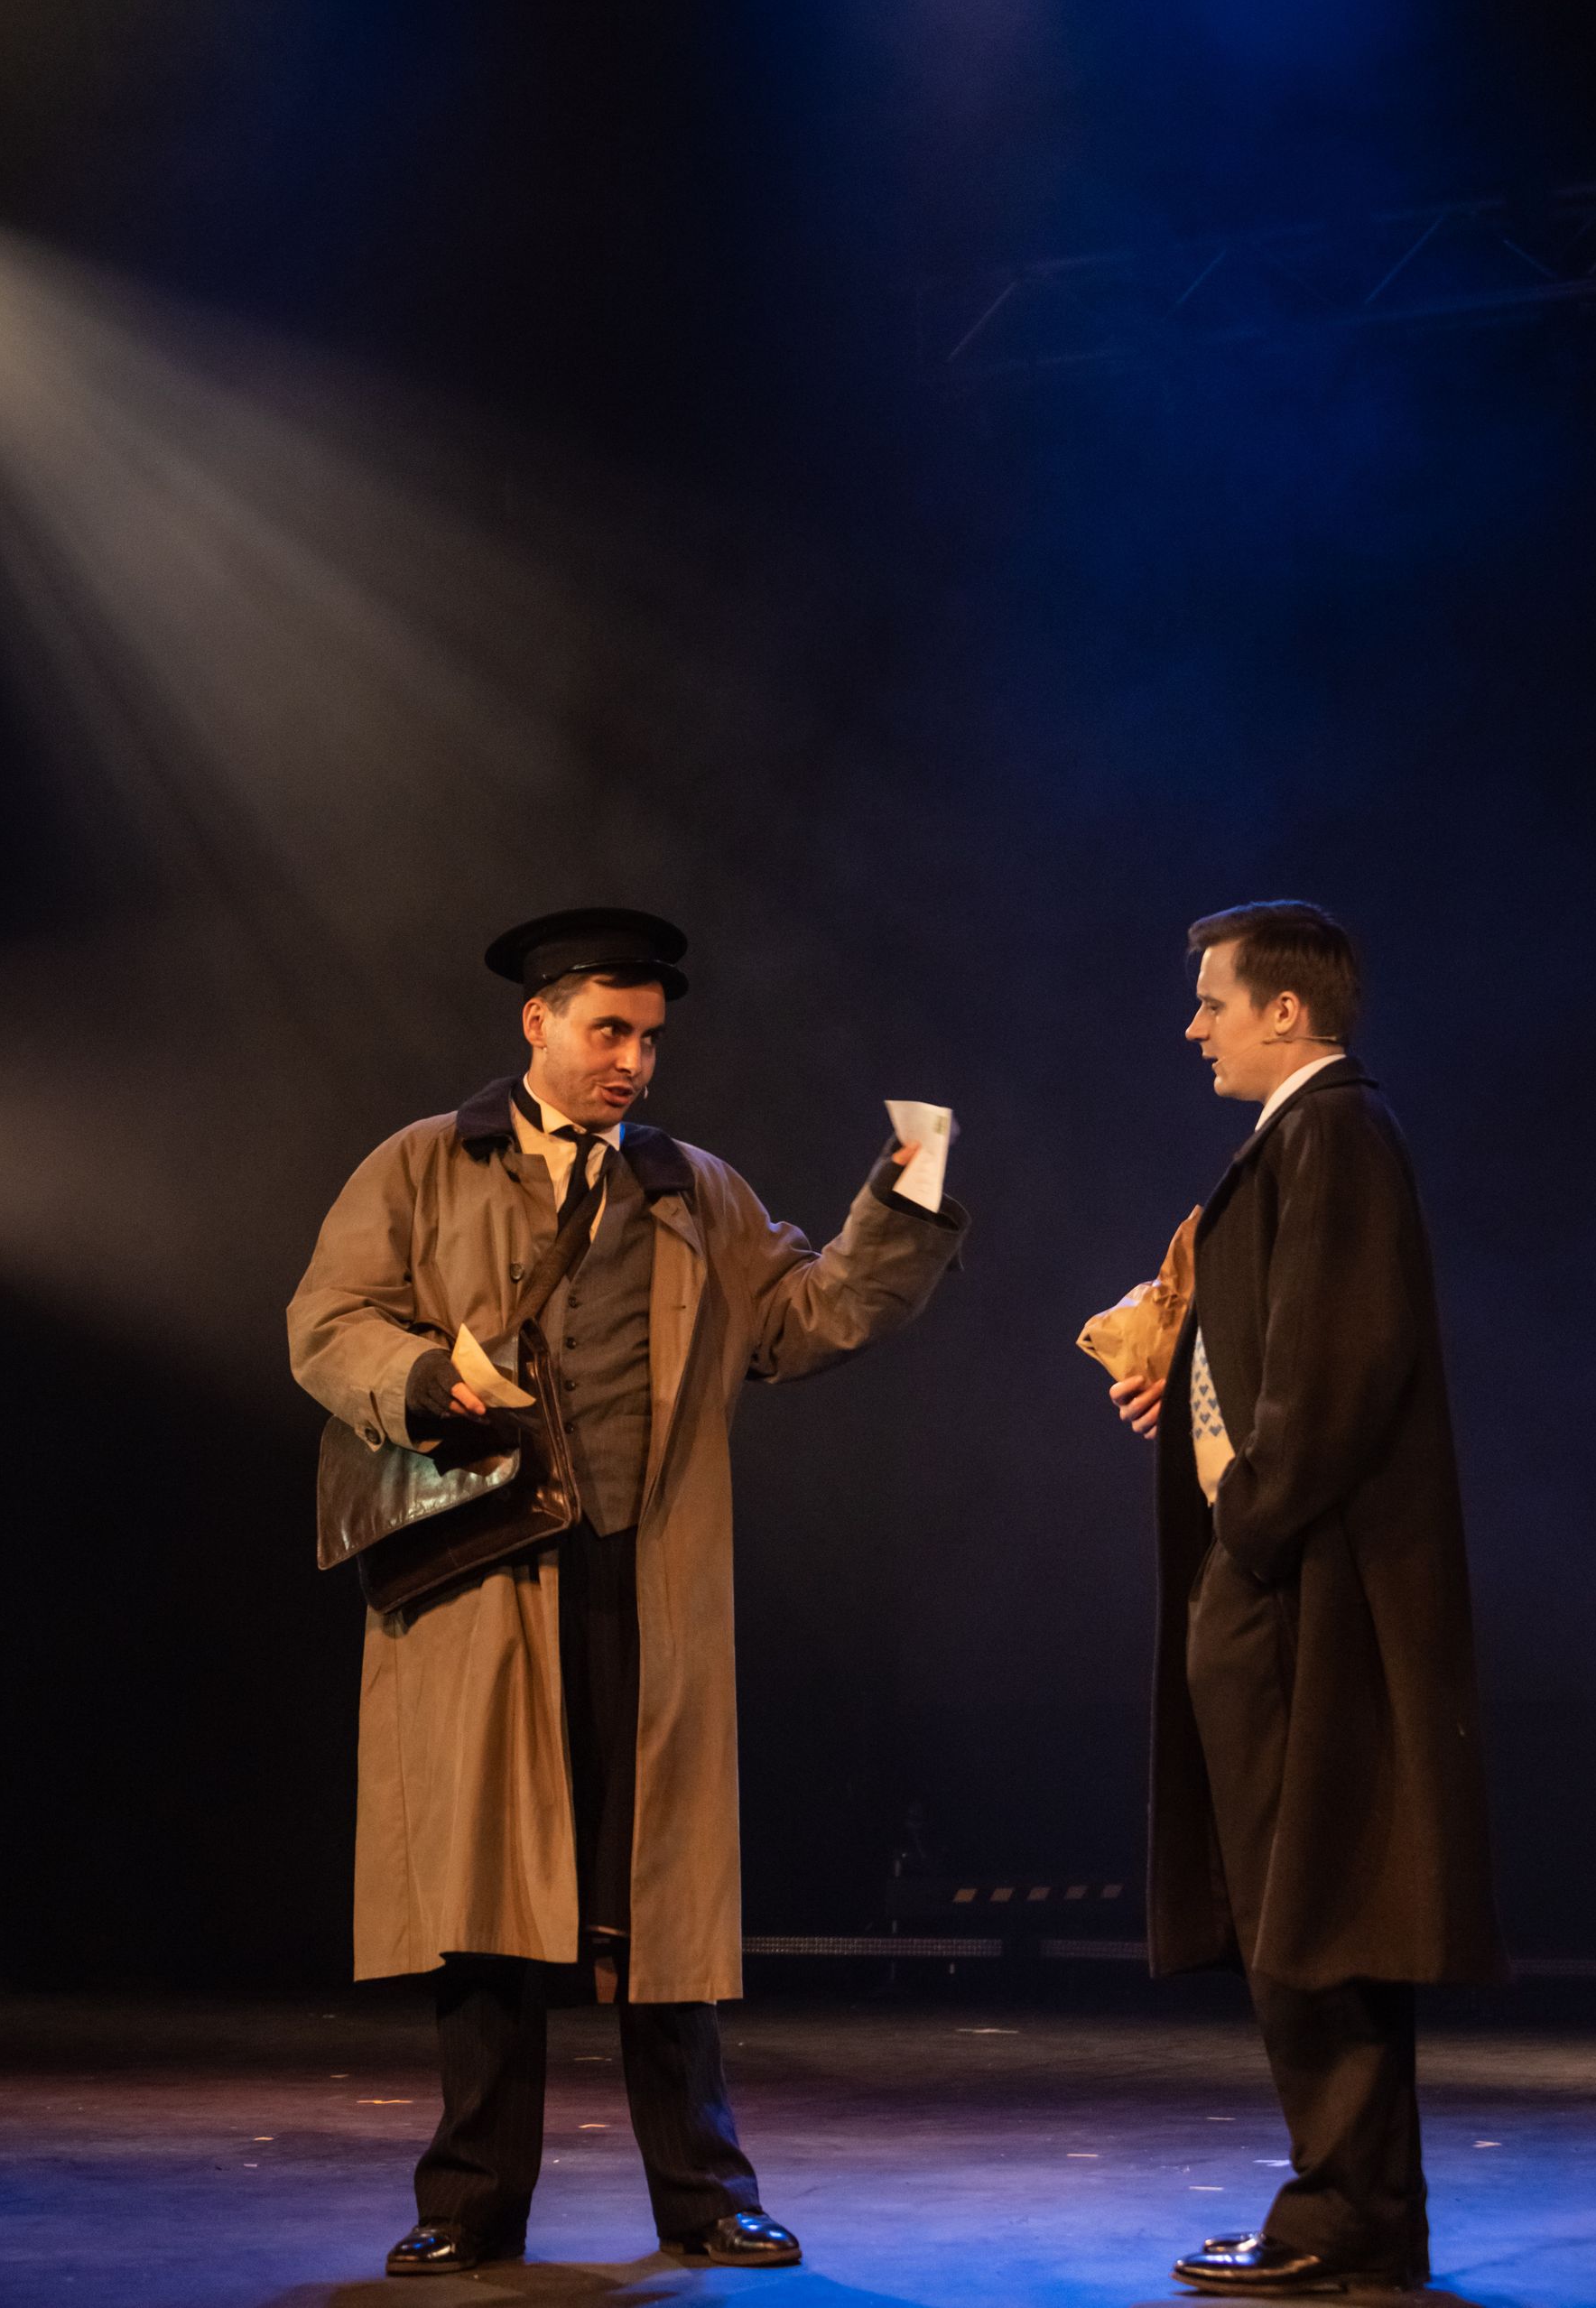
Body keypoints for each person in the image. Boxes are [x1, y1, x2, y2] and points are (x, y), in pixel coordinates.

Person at [289, 906, 967, 2279]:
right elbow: (328, 1321)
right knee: (485, 1896)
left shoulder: (691, 1187)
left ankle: (706, 2195)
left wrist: (904, 1203)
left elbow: (806, 1316)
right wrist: (424, 1377)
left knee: (663, 1894)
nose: (632, 1063)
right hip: (488, 1581)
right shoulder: (425, 1163)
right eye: (609, 1032)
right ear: (536, 1023)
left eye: (650, 1039)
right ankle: (471, 2201)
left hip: (645, 1575)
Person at [1107, 901, 1504, 2295]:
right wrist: (1189, 1374)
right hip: (1286, 1577)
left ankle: (1343, 2214)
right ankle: (1359, 2211)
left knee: (1311, 1905)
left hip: (1299, 1589)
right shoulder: (1309, 1141)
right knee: (1312, 1905)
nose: (1195, 1026)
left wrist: (1252, 1530)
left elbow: (1343, 1365)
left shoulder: (1333, 1131)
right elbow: (1292, 1338)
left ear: (1286, 1012)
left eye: (1214, 1002)